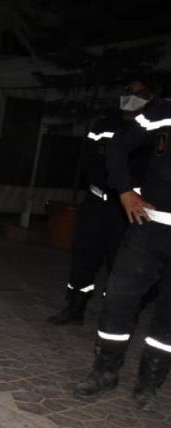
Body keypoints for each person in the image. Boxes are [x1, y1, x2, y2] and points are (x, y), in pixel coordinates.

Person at [72, 89, 171, 411]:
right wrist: (125, 190)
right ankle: (104, 372)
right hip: (149, 228)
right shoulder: (163, 112)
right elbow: (117, 145)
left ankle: (149, 384)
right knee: (118, 299)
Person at [47, 80, 156, 325]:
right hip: (95, 202)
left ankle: (113, 317)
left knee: (120, 263)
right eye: (129, 92)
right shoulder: (105, 124)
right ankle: (75, 307)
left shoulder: (152, 129)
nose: (132, 97)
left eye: (140, 93)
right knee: (83, 255)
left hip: (128, 209)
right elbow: (89, 158)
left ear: (151, 98)